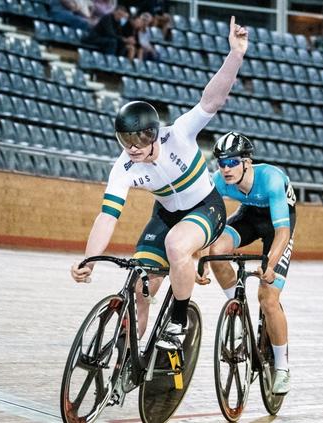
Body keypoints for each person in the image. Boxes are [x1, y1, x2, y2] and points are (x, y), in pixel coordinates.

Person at [72, 16, 249, 350]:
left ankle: (178, 323)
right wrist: (88, 260)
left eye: (139, 139)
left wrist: (235, 55)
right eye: (125, 140)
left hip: (206, 207)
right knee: (141, 287)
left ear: (153, 132)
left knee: (177, 246)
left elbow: (211, 100)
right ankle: (126, 362)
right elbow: (108, 216)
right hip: (165, 214)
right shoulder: (123, 167)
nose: (132, 148)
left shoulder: (179, 134)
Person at [197, 132, 296, 394]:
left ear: (247, 162)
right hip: (249, 218)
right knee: (217, 249)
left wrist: (270, 264)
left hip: (279, 226)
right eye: (221, 162)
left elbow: (283, 233)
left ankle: (283, 368)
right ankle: (237, 310)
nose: (226, 168)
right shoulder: (219, 181)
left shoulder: (271, 179)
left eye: (232, 162)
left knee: (268, 298)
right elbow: (211, 222)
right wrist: (203, 256)